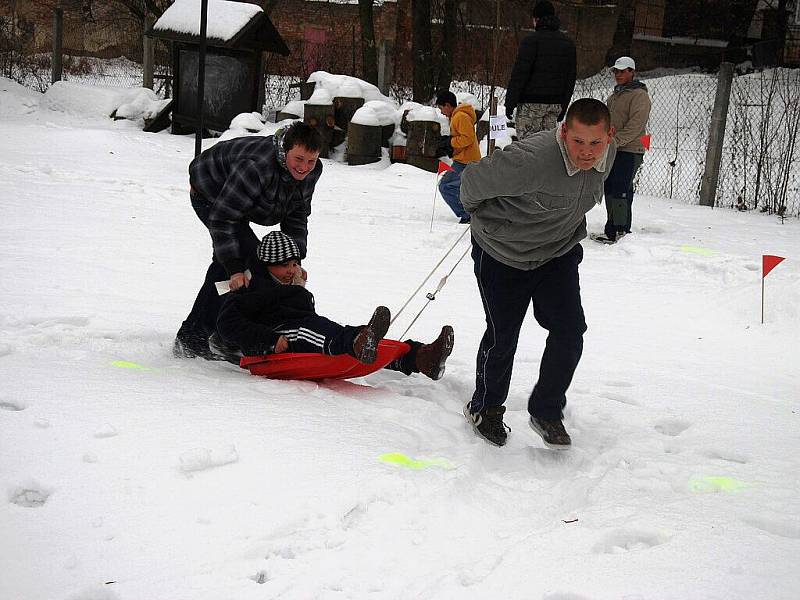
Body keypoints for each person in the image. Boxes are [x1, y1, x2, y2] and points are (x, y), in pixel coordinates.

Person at [460, 98, 617, 448]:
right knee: (503, 335)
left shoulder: (610, 153)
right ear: (563, 132)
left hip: (556, 253)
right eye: (578, 141)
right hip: (503, 253)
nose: (587, 152)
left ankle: (546, 410)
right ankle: (485, 408)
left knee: (570, 329)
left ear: (609, 136)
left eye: (595, 142)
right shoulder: (529, 160)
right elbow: (470, 184)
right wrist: (490, 224)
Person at [210, 231, 455, 381]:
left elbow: (304, 315)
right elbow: (227, 323)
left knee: (332, 333)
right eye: (285, 265)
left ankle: (419, 357)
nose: (291, 270)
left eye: (295, 264)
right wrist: (268, 340)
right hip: (277, 337)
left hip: (299, 329)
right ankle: (358, 340)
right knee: (322, 332)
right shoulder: (251, 287)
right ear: (268, 265)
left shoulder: (290, 285)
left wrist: (298, 290)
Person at [174, 121, 324, 359]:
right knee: (242, 265)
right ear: (285, 150)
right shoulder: (256, 167)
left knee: (259, 267)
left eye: (311, 161)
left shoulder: (311, 172)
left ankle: (228, 334)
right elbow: (224, 218)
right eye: (298, 159)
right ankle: (193, 337)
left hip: (243, 201)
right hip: (210, 194)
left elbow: (296, 214)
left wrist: (294, 260)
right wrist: (234, 268)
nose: (304, 167)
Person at [596, 56, 651, 243]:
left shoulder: (640, 96)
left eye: (622, 71)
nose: (618, 75)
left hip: (630, 150)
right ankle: (611, 229)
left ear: (632, 72)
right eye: (616, 71)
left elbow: (636, 125)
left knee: (621, 189)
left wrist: (615, 141)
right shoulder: (615, 96)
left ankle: (622, 231)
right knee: (609, 187)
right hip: (613, 148)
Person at [504, 0, 576, 140]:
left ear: (536, 19)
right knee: (547, 146)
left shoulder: (531, 41)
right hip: (554, 105)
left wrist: (510, 103)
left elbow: (520, 74)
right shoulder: (568, 44)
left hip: (531, 104)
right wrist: (563, 106)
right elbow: (570, 79)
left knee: (527, 147)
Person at [435, 90, 481, 224]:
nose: (442, 112)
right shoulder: (457, 116)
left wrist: (450, 142)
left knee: (446, 186)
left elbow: (467, 138)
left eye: (441, 108)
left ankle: (467, 215)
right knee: (461, 187)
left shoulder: (460, 116)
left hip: (467, 161)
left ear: (448, 105)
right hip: (463, 159)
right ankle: (471, 213)